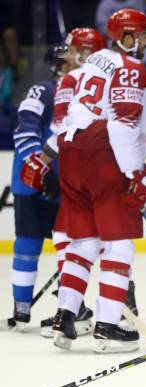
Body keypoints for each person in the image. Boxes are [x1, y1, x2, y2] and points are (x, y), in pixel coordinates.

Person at [48, 8, 146, 354]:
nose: (143, 41)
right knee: (119, 245)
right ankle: (108, 327)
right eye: (139, 34)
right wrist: (134, 173)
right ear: (124, 36)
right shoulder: (131, 68)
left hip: (71, 154)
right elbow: (123, 124)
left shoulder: (92, 62)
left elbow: (71, 118)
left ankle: (65, 317)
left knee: (82, 241)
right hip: (103, 154)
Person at [20, 27, 107, 338]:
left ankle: (84, 309)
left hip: (86, 167)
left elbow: (65, 128)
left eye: (71, 48)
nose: (66, 53)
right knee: (79, 235)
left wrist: (43, 160)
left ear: (82, 51)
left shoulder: (75, 81)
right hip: (98, 166)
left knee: (92, 239)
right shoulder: (111, 72)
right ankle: (80, 308)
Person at [7, 45, 65, 332]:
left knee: (71, 246)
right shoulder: (42, 91)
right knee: (28, 244)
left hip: (64, 183)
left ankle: (69, 307)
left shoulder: (83, 96)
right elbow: (24, 131)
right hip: (30, 182)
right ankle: (22, 305)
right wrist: (41, 170)